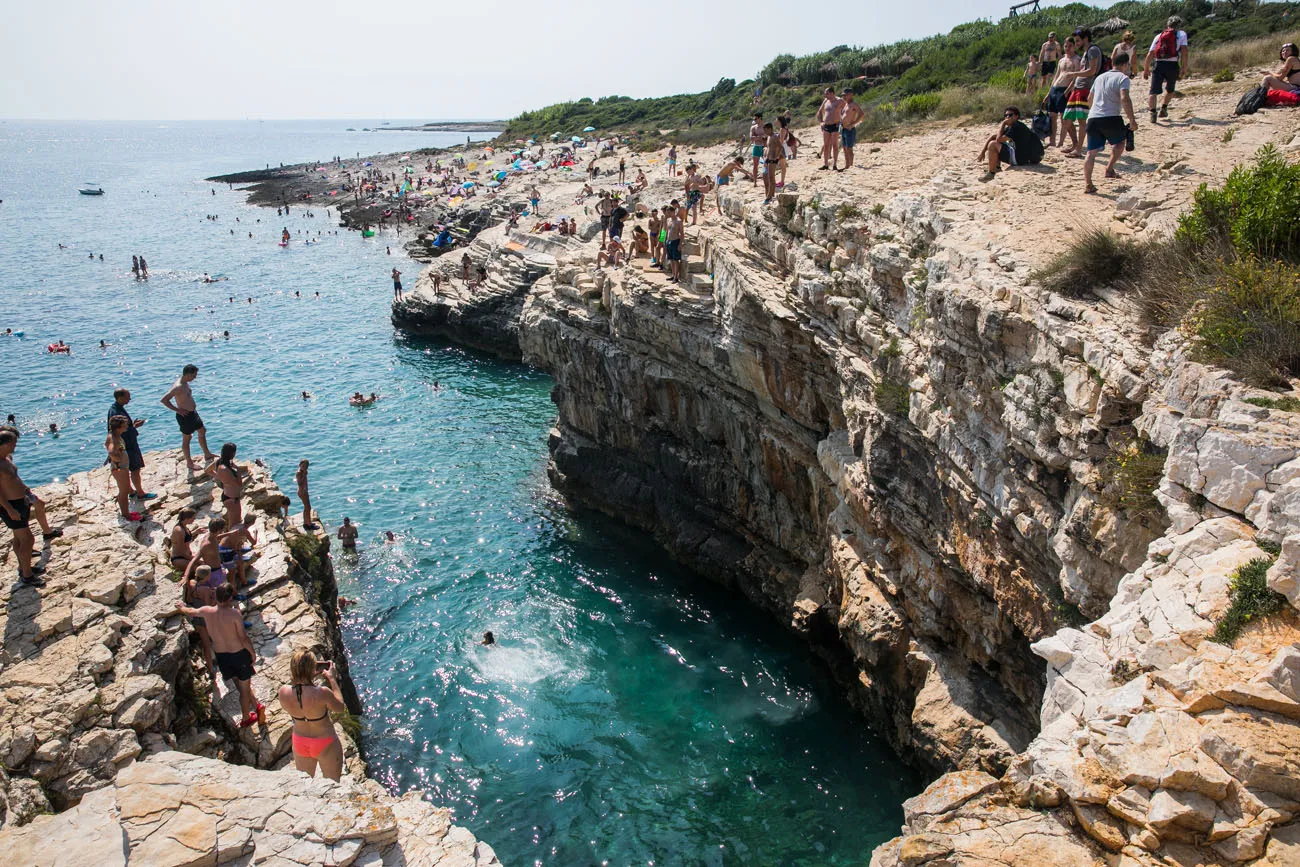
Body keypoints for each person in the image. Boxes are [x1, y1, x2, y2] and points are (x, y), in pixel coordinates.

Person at [176, 583, 264, 728]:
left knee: (237, 681)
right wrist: (252, 653)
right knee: (244, 688)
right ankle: (246, 717)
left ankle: (256, 705)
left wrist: (181, 607)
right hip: (239, 654)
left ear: (216, 597)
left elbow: (191, 611)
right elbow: (243, 638)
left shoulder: (207, 611)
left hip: (222, 656)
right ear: (230, 598)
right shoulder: (234, 614)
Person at [278, 650, 346, 780]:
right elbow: (340, 708)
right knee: (332, 784)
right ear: (312, 670)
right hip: (325, 742)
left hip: (300, 741)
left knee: (306, 784)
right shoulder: (322, 693)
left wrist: (305, 673)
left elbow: (297, 692)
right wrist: (332, 679)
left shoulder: (283, 692)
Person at [1084, 52, 1138, 194]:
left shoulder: (1099, 78)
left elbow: (1089, 99)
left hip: (1093, 117)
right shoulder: (1123, 78)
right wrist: (1132, 120)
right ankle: (1109, 169)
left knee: (1091, 153)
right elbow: (1124, 98)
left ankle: (1088, 184)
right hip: (1111, 117)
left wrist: (1095, 110)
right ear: (1125, 64)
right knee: (1120, 142)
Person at [0, 431, 42, 587]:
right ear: (5, 444)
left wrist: (25, 490)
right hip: (11, 505)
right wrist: (10, 509)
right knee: (28, 539)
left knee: (19, 539)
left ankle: (23, 567)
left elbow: (14, 479)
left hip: (20, 501)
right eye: (13, 443)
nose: (15, 445)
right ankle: (27, 576)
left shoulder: (6, 459)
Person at [160, 364, 213, 470]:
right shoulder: (178, 387)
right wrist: (177, 410)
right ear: (188, 374)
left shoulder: (185, 383)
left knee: (202, 430)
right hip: (185, 416)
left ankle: (207, 454)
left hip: (193, 413)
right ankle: (189, 463)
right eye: (194, 375)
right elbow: (164, 400)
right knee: (187, 438)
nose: (195, 377)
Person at [1062, 28, 1103, 157]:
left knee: (1081, 121)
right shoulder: (1087, 52)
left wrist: (1073, 74)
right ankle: (1075, 145)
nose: (1076, 43)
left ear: (1085, 39)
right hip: (1078, 88)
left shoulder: (1093, 50)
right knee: (1066, 119)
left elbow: (1092, 71)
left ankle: (1078, 149)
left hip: (1085, 89)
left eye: (1078, 41)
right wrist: (1071, 86)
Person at [108, 388, 153, 501]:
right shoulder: (116, 411)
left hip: (125, 445)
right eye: (127, 397)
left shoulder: (114, 409)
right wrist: (133, 428)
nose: (130, 399)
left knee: (127, 469)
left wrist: (132, 425)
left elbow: (118, 428)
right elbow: (120, 431)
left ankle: (131, 491)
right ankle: (140, 493)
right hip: (128, 445)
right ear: (120, 398)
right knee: (135, 469)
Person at [1143, 16, 1189, 124]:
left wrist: (1146, 69)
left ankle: (1153, 113)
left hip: (1158, 64)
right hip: (1172, 65)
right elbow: (1184, 52)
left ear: (1167, 24)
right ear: (1179, 25)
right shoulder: (1181, 34)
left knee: (1153, 91)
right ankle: (1163, 108)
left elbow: (1150, 53)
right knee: (1170, 89)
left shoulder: (1159, 36)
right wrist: (1184, 67)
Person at [979, 106, 1044, 179]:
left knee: (993, 144)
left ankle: (991, 173)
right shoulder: (1012, 127)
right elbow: (994, 137)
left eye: (1010, 115)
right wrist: (983, 152)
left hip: (1023, 159)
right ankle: (996, 167)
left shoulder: (1017, 126)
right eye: (1006, 115)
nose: (1007, 117)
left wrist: (1003, 124)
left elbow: (998, 139)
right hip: (1026, 156)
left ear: (1016, 116)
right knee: (999, 141)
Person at [106, 416, 143, 521]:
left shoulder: (115, 435)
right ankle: (126, 515)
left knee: (124, 490)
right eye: (125, 425)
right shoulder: (113, 438)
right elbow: (111, 451)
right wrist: (118, 460)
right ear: (119, 427)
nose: (127, 426)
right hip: (120, 468)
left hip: (122, 467)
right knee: (124, 491)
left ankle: (126, 512)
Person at [1047, 36, 1081, 149]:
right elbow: (1056, 75)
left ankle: (1066, 141)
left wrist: (1068, 90)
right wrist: (1049, 92)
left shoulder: (1077, 59)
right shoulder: (1061, 60)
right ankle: (1052, 141)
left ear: (1074, 46)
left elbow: (1076, 77)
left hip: (1065, 89)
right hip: (1055, 88)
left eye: (1070, 46)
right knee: (1052, 116)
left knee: (1065, 118)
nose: (1067, 48)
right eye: (1066, 46)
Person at [206, 442, 243, 527]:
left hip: (229, 495)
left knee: (236, 520)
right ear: (232, 453)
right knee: (234, 522)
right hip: (231, 498)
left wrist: (219, 477)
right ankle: (230, 535)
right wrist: (238, 469)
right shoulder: (225, 469)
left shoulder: (219, 461)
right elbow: (239, 484)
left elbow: (207, 470)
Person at [817, 88, 846, 170]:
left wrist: (841, 120)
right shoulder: (826, 101)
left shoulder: (839, 101)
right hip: (826, 125)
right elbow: (819, 112)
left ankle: (835, 164)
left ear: (832, 93)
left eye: (827, 93)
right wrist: (821, 122)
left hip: (835, 125)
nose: (825, 95)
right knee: (826, 145)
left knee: (835, 145)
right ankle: (826, 164)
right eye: (825, 93)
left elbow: (846, 110)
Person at [840, 89, 865, 170]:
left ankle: (850, 165)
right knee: (844, 148)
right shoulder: (846, 105)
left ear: (851, 95)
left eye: (845, 95)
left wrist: (853, 123)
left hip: (849, 129)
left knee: (849, 148)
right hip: (844, 129)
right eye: (843, 95)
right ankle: (847, 165)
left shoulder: (854, 105)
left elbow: (861, 114)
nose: (844, 97)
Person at [169, 507, 198, 575]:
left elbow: (185, 538)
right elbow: (180, 551)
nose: (194, 519)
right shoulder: (179, 530)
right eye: (193, 518)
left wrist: (196, 532)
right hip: (179, 557)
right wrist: (194, 559)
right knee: (197, 569)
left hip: (187, 555)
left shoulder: (184, 527)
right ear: (187, 518)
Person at [763, 123, 782, 203]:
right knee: (767, 177)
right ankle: (771, 195)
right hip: (768, 159)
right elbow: (768, 148)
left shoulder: (774, 136)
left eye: (766, 130)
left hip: (772, 159)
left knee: (771, 178)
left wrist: (776, 156)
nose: (765, 132)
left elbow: (780, 147)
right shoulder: (769, 137)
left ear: (770, 129)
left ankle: (769, 196)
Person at [664, 204, 684, 284]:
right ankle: (673, 275)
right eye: (667, 212)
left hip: (675, 241)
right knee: (671, 259)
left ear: (673, 212)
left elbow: (682, 233)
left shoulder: (678, 221)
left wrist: (680, 244)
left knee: (676, 260)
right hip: (669, 241)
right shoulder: (668, 220)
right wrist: (665, 240)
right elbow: (667, 231)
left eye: (669, 212)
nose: (668, 214)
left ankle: (676, 277)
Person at [296, 459, 317, 529]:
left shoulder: (303, 472)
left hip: (304, 491)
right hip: (302, 492)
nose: (305, 467)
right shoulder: (299, 473)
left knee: (306, 507)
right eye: (303, 466)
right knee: (308, 507)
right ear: (300, 465)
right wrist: (304, 475)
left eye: (306, 466)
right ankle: (309, 524)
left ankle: (306, 523)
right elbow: (299, 483)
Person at [748, 113, 766, 183]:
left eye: (755, 119)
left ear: (760, 118)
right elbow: (751, 138)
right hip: (756, 146)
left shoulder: (765, 126)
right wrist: (760, 137)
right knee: (755, 165)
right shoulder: (753, 127)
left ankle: (765, 179)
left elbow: (767, 136)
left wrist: (756, 137)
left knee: (766, 164)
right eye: (754, 119)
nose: (754, 120)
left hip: (764, 146)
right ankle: (755, 181)